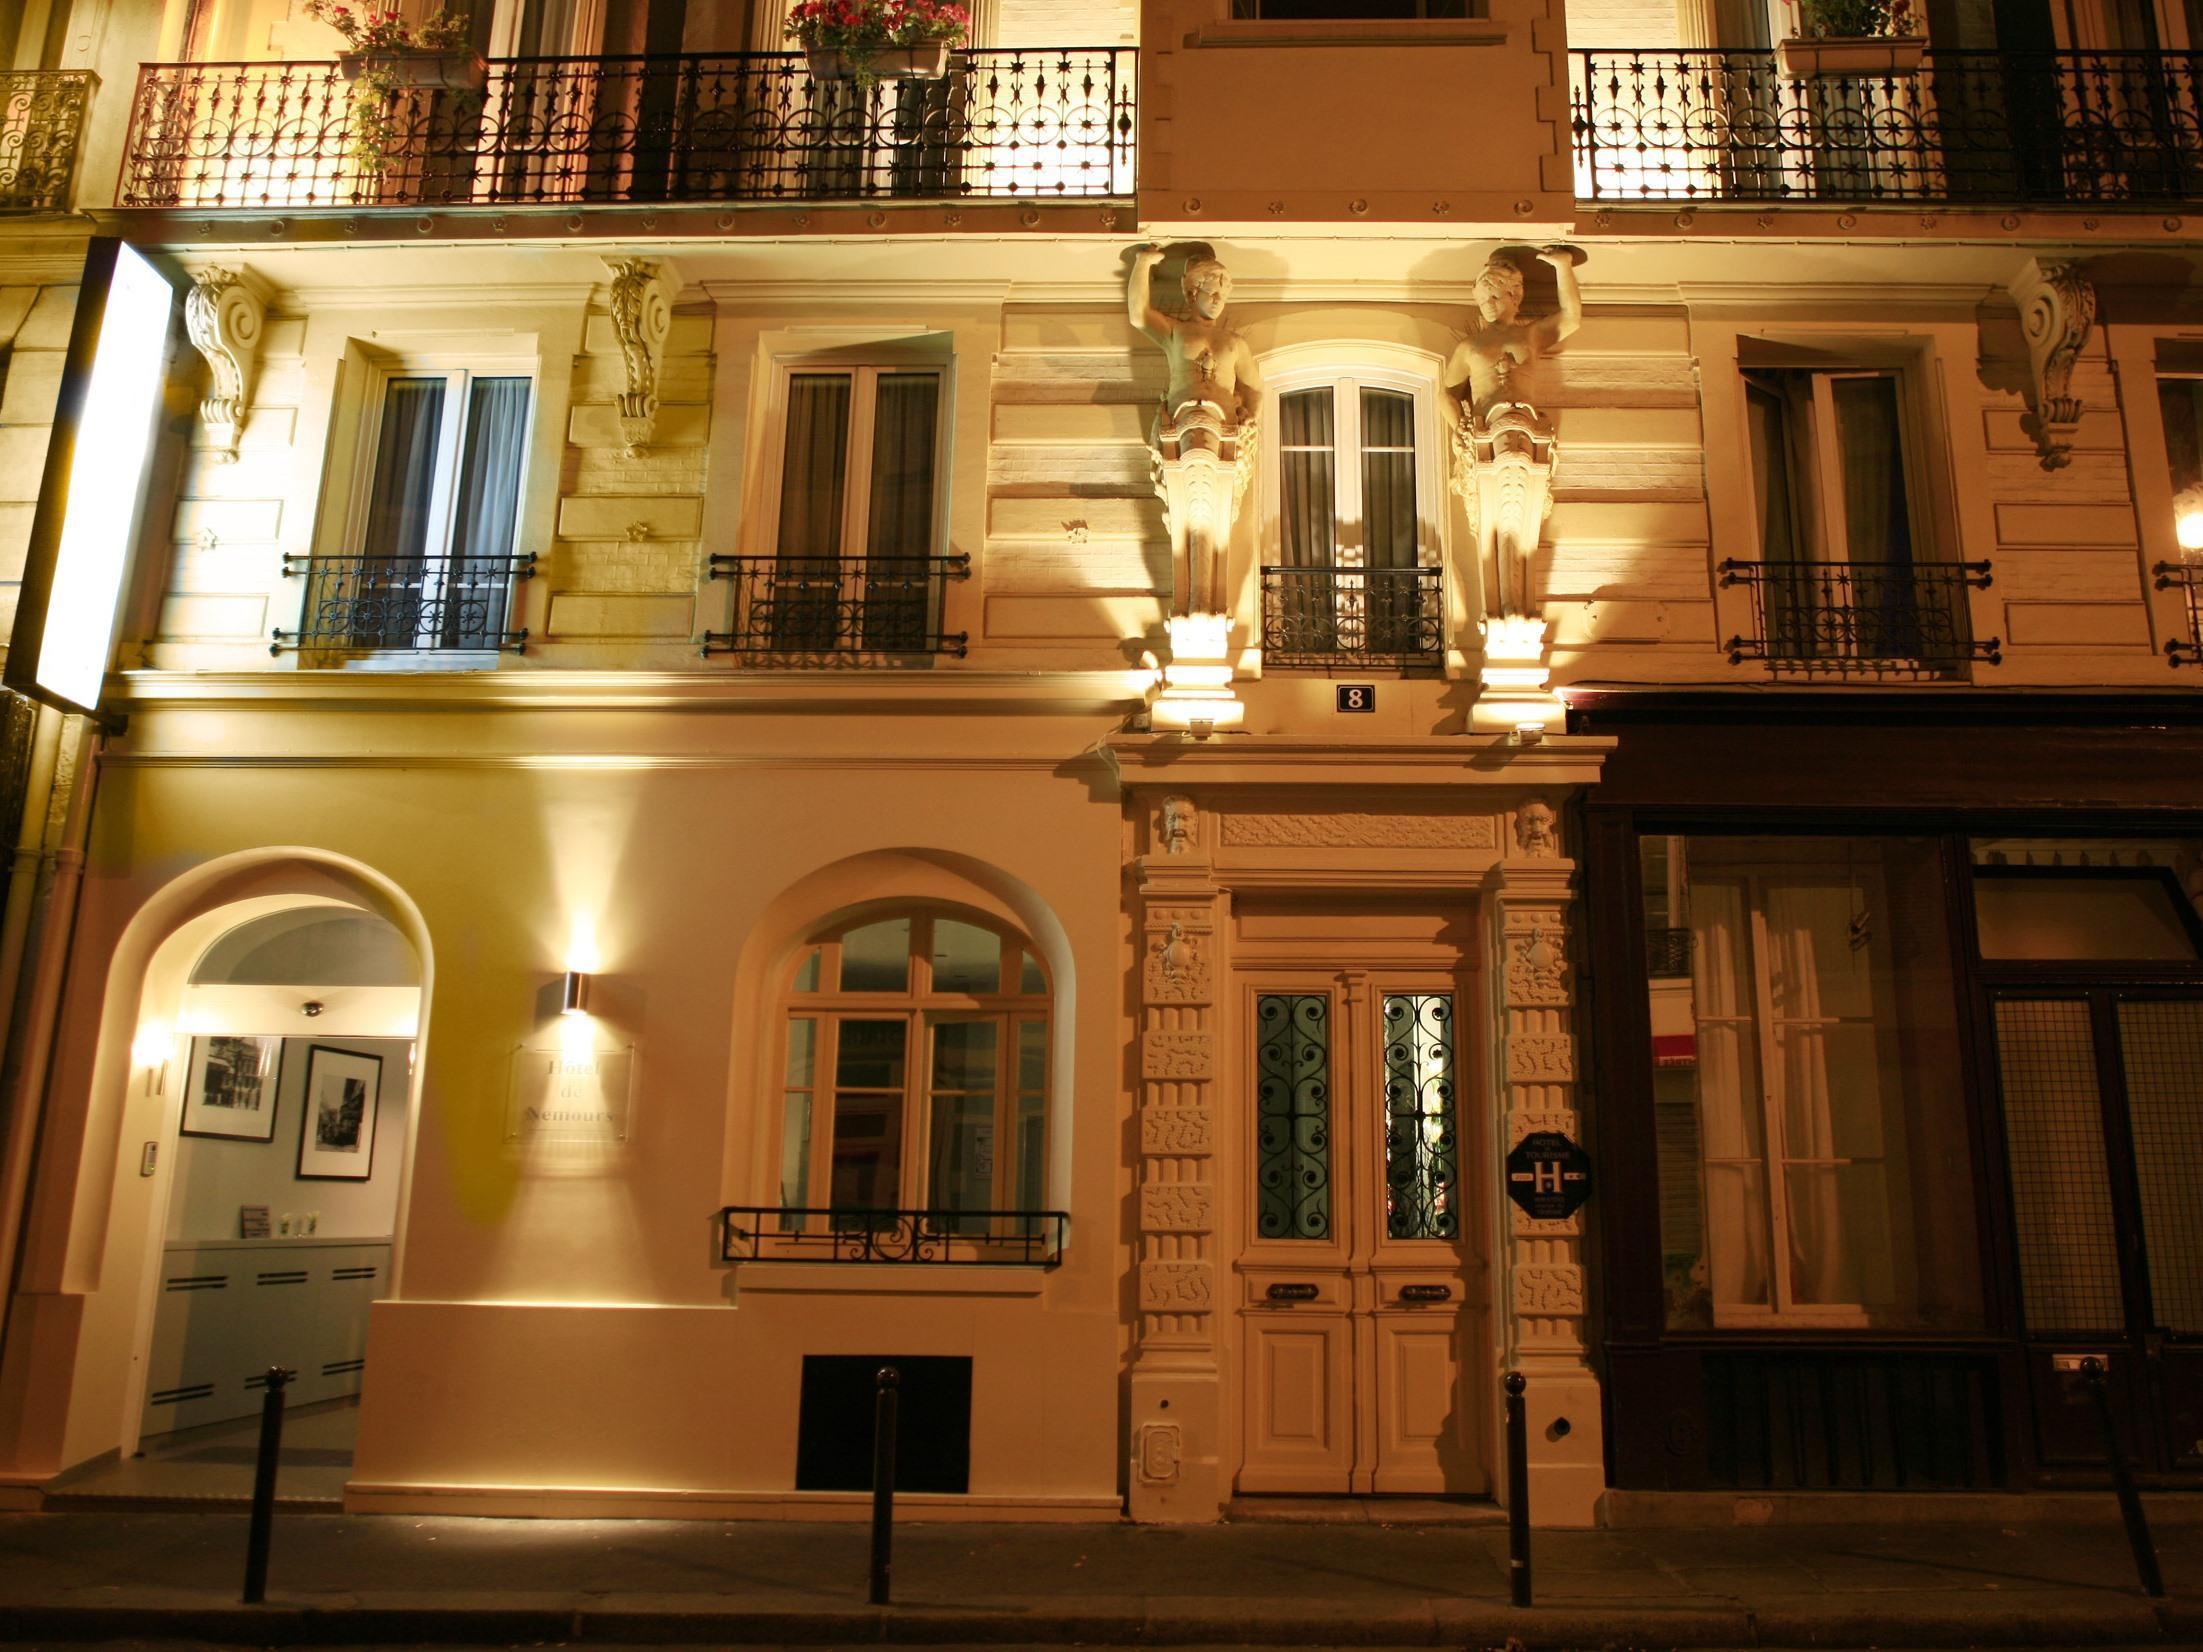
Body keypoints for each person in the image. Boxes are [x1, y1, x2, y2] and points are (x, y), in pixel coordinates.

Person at [1443, 248, 1583, 420]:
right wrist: (1458, 427)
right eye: (1482, 300)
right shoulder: (1469, 346)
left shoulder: (1529, 336)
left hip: (1524, 419)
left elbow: (1571, 318)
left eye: (1493, 297)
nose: (1487, 304)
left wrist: (1563, 267)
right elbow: (1447, 394)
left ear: (1514, 296)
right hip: (1487, 424)